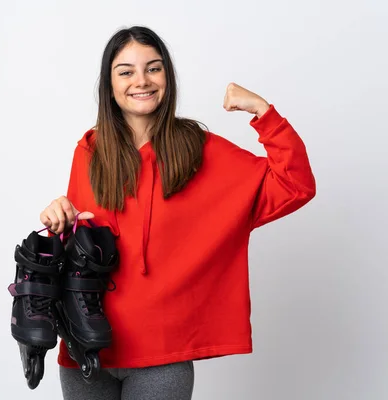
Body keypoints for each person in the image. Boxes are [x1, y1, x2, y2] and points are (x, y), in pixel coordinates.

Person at [39, 25, 316, 400]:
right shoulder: (89, 151)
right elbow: (81, 246)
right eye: (126, 71)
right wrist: (60, 217)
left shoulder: (198, 149)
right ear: (110, 84)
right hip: (84, 347)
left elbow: (294, 185)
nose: (142, 80)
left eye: (153, 68)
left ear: (167, 76)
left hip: (162, 353)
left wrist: (262, 112)